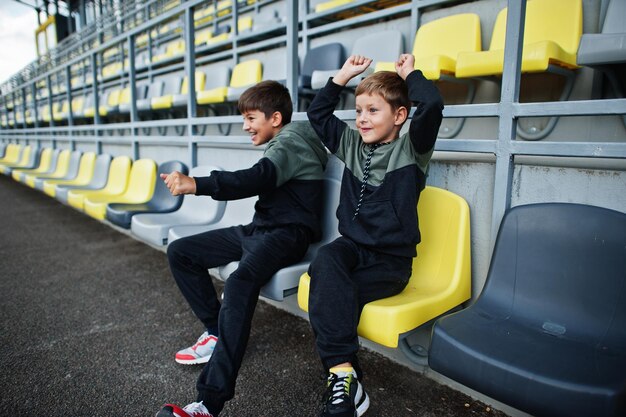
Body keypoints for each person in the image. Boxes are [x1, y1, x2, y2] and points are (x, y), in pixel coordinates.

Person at [156, 80, 329, 417]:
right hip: (259, 230)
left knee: (238, 281)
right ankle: (217, 331)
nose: (245, 126)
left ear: (275, 118)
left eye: (251, 118)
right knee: (182, 252)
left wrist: (197, 185)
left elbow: (257, 177)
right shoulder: (286, 139)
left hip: (287, 236)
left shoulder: (290, 143)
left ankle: (208, 403)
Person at [305, 53, 443, 417]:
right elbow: (317, 115)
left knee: (327, 286)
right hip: (351, 248)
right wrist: (343, 77)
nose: (362, 119)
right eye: (359, 111)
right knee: (325, 260)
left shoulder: (412, 150)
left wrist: (410, 73)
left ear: (399, 116)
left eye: (373, 111)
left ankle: (342, 383)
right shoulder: (351, 144)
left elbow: (432, 104)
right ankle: (344, 373)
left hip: (389, 263)